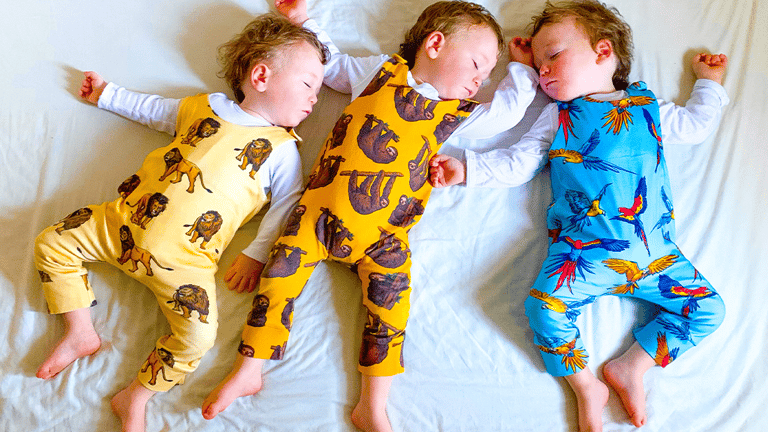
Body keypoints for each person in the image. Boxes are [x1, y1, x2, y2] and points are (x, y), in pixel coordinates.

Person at [201, 1, 540, 431]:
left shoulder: (455, 114)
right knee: (278, 280)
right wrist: (302, 21)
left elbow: (504, 116)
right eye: (477, 65)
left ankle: (372, 404)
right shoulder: (381, 72)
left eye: (489, 74)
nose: (481, 80)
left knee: (391, 312)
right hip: (318, 214)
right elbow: (332, 64)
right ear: (435, 44)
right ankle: (249, 368)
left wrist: (522, 70)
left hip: (385, 238)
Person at [429, 1, 728, 431]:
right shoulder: (558, 116)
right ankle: (586, 386)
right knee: (543, 309)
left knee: (708, 311)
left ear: (603, 51)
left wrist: (708, 84)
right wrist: (467, 169)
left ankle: (632, 366)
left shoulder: (647, 107)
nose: (544, 71)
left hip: (657, 256)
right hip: (582, 254)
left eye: (553, 56)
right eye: (538, 66)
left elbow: (695, 125)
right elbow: (520, 162)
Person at [33, 14, 328, 432]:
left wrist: (255, 254)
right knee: (51, 242)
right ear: (261, 76)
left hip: (187, 264)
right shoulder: (204, 107)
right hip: (120, 223)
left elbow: (287, 206)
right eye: (308, 85)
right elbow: (155, 110)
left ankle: (136, 396)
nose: (315, 99)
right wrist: (107, 94)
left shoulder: (282, 151)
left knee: (198, 338)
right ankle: (80, 331)